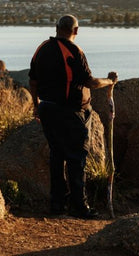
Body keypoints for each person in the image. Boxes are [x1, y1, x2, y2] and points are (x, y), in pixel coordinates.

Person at [28, 14, 117, 219]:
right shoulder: (74, 51)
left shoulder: (41, 48)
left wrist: (36, 105)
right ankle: (79, 206)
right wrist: (109, 81)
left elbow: (32, 81)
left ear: (56, 27)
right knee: (77, 159)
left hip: (48, 109)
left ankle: (58, 204)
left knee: (57, 156)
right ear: (76, 31)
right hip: (71, 112)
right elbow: (90, 83)